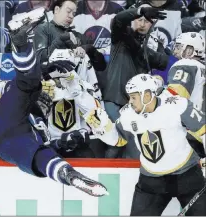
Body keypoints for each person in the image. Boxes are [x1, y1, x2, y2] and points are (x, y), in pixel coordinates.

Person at [0, 9, 108, 197]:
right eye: (44, 100)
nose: (46, 102)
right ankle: (65, 173)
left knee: (37, 153)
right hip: (10, 123)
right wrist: (44, 70)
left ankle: (67, 174)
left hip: (8, 141)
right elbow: (15, 85)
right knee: (28, 84)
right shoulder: (25, 100)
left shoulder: (41, 123)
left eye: (46, 102)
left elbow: (45, 146)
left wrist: (64, 142)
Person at [85, 73, 206, 215]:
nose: (130, 101)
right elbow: (118, 139)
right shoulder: (128, 115)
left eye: (134, 97)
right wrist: (102, 128)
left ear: (147, 96)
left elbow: (203, 129)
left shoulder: (177, 105)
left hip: (187, 176)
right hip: (151, 182)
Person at [102, 4, 169, 158]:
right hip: (116, 100)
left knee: (135, 146)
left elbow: (165, 62)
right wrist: (139, 11)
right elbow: (118, 20)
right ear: (132, 20)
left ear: (153, 24)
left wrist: (143, 49)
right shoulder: (121, 36)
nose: (142, 23)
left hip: (137, 106)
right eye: (139, 19)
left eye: (147, 20)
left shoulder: (152, 44)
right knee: (118, 143)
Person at [34, 0, 107, 73]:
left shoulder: (78, 36)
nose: (71, 16)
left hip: (78, 82)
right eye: (68, 11)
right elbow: (40, 60)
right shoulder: (43, 29)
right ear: (57, 10)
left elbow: (101, 67)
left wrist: (91, 49)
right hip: (50, 82)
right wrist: (60, 40)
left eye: (74, 13)